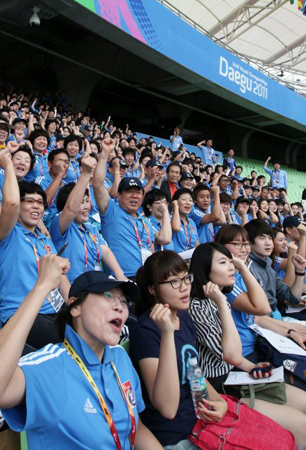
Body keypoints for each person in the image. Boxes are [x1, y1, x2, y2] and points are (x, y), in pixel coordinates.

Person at [0, 259, 163, 450]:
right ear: (75, 307)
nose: (120, 306)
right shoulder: (48, 365)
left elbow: (137, 430)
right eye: (108, 295)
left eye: (124, 301)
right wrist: (42, 286)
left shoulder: (120, 358)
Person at [188, 239, 306, 447]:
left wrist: (251, 367)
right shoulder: (198, 306)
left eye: (230, 262)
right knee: (301, 426)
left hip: (239, 374)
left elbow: (264, 310)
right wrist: (224, 306)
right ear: (205, 269)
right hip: (221, 387)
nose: (231, 266)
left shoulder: (219, 296)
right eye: (223, 262)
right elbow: (230, 355)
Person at [130, 251, 228, 449]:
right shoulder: (145, 330)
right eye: (174, 281)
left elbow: (193, 372)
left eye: (185, 278)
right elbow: (167, 409)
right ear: (153, 290)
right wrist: (167, 334)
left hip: (201, 422)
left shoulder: (182, 316)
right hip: (175, 436)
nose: (184, 287)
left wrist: (219, 403)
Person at [0, 179, 70, 348]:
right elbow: (10, 203)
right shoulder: (8, 234)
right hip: (21, 314)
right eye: (29, 201)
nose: (36, 206)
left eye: (40, 202)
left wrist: (74, 303)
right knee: (69, 340)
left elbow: (61, 278)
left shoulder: (45, 239)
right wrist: (8, 164)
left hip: (54, 310)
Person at [50, 153, 126, 283]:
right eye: (81, 202)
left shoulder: (91, 229)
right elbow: (70, 209)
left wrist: (121, 275)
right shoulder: (60, 225)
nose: (86, 207)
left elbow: (106, 251)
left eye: (86, 201)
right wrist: (85, 174)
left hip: (95, 285)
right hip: (72, 289)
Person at [93, 139, 155, 279]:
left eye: (138, 192)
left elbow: (151, 251)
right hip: (121, 280)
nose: (134, 196)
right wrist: (105, 153)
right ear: (119, 195)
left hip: (146, 280)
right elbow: (97, 184)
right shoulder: (111, 211)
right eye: (129, 192)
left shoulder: (146, 223)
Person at [244, 219, 306, 319]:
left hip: (275, 317)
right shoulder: (247, 268)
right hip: (265, 323)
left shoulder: (267, 264)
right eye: (262, 238)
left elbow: (292, 298)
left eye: (269, 238)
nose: (268, 243)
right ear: (250, 243)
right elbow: (259, 313)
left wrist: (300, 272)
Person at [35, 148, 69, 227]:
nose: (63, 165)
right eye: (60, 161)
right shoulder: (41, 180)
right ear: (49, 164)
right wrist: (60, 175)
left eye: (66, 162)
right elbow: (44, 202)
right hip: (44, 224)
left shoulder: (66, 185)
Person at [171, 188, 199, 253]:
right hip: (176, 260)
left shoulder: (191, 222)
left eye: (190, 200)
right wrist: (175, 207)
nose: (188, 203)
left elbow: (197, 244)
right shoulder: (170, 219)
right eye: (184, 199)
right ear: (176, 202)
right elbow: (176, 228)